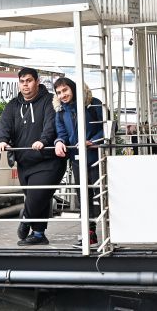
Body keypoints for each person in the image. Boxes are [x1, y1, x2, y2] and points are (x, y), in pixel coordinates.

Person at [0, 67, 66, 246]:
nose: (25, 85)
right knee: (39, 199)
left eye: (29, 80)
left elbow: (51, 124)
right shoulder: (13, 104)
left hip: (48, 160)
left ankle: (26, 218)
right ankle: (39, 234)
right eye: (22, 81)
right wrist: (3, 140)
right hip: (24, 162)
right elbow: (5, 125)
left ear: (37, 81)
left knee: (37, 196)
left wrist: (43, 140)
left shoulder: (50, 100)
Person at [53, 77, 103, 247]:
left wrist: (93, 141)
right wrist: (59, 142)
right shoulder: (60, 111)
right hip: (77, 159)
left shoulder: (94, 103)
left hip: (98, 157)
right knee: (84, 198)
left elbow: (109, 126)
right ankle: (90, 234)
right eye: (59, 92)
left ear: (73, 89)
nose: (62, 95)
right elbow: (61, 133)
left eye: (65, 90)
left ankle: (116, 232)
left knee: (103, 196)